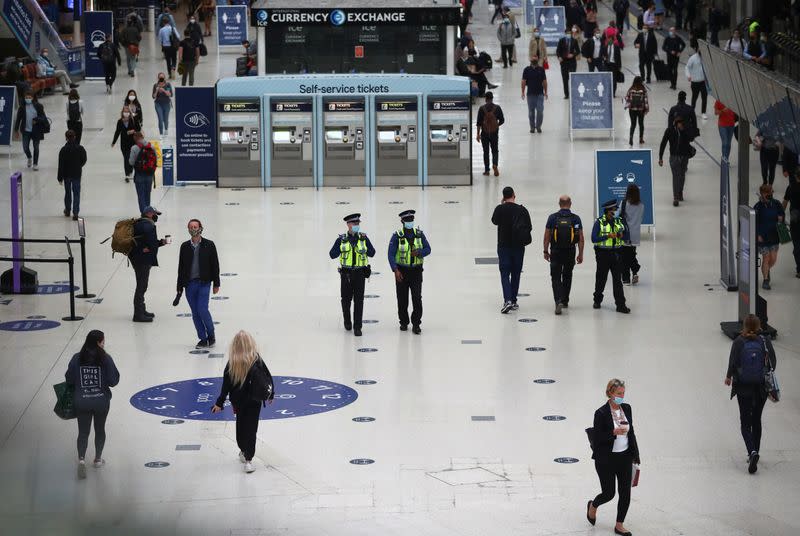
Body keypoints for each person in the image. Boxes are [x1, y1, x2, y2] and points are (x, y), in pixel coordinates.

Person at [211, 331, 273, 474]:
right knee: (251, 430)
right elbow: (267, 378)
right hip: (255, 401)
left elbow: (225, 386)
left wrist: (219, 403)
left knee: (241, 426)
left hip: (238, 402)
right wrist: (270, 394)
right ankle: (249, 460)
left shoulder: (231, 363)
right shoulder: (257, 360)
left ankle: (244, 451)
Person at [586, 379, 640, 536]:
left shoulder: (627, 409)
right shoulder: (601, 413)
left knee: (625, 493)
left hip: (624, 457)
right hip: (606, 459)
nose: (621, 396)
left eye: (623, 393)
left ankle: (619, 525)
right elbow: (597, 438)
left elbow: (632, 432)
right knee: (609, 493)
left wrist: (636, 454)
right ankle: (593, 506)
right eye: (618, 393)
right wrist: (612, 433)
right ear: (610, 393)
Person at [724, 314, 777, 474]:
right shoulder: (764, 340)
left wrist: (728, 377)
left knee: (745, 422)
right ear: (759, 325)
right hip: (760, 387)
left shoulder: (739, 341)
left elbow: (733, 362)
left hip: (743, 387)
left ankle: (752, 451)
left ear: (745, 326)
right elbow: (773, 362)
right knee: (757, 420)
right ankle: (756, 451)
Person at [65, 330, 120, 480]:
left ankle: (82, 459)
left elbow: (69, 379)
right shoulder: (106, 359)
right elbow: (113, 381)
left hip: (81, 401)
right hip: (101, 401)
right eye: (103, 341)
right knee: (100, 429)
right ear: (98, 342)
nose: (104, 343)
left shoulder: (77, 358)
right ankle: (97, 459)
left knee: (83, 432)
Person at [328, 214, 376, 337]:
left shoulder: (364, 238)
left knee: (359, 301)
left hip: (360, 273)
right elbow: (332, 254)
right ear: (348, 225)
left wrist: (365, 248)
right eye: (354, 224)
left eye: (358, 224)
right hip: (346, 274)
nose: (356, 226)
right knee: (346, 300)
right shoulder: (341, 239)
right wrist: (340, 248)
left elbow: (372, 253)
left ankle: (357, 326)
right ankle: (347, 321)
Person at [177, 219, 221, 348]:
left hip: (204, 283)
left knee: (202, 309)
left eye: (195, 226)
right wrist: (179, 287)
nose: (193, 228)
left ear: (200, 228)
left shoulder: (209, 245)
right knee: (195, 313)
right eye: (191, 227)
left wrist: (216, 283)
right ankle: (202, 338)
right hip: (190, 284)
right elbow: (181, 267)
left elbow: (215, 265)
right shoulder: (184, 246)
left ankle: (211, 334)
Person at [387, 210, 432, 334]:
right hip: (401, 271)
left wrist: (419, 252)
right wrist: (395, 270)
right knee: (402, 299)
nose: (410, 222)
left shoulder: (419, 234)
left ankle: (416, 323)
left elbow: (428, 249)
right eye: (407, 220)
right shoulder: (397, 236)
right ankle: (404, 322)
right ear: (402, 221)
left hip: (416, 271)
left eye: (411, 220)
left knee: (417, 298)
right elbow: (390, 254)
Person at [491, 187, 533, 314]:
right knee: (516, 273)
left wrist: (502, 205)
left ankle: (507, 300)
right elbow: (529, 227)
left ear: (503, 197)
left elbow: (494, 221)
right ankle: (514, 300)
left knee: (504, 273)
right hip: (519, 247)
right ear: (514, 195)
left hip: (503, 246)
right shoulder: (522, 210)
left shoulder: (500, 209)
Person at [543, 195, 584, 315]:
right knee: (567, 275)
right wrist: (580, 254)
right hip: (570, 251)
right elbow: (581, 238)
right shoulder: (576, 219)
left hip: (556, 251)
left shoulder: (552, 218)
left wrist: (545, 251)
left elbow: (546, 237)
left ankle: (558, 300)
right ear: (570, 203)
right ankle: (565, 300)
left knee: (555, 277)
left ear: (559, 204)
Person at [128, 205, 167, 322]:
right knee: (141, 286)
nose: (156, 217)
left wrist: (160, 243)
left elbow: (144, 242)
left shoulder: (138, 223)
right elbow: (151, 244)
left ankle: (141, 310)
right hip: (142, 260)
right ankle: (138, 314)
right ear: (150, 214)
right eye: (155, 214)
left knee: (141, 285)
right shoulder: (148, 226)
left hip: (136, 258)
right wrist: (158, 244)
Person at [591, 200, 630, 313]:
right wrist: (607, 236)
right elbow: (594, 239)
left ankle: (621, 305)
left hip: (617, 254)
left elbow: (627, 237)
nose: (616, 211)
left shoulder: (619, 221)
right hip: (603, 255)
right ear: (609, 211)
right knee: (601, 279)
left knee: (618, 280)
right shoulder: (599, 222)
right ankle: (597, 300)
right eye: (614, 210)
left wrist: (622, 236)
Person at [754, 184, 785, 290]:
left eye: (772, 192)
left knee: (773, 259)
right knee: (766, 258)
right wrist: (758, 234)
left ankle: (766, 269)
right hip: (762, 236)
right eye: (768, 193)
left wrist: (781, 218)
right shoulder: (758, 207)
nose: (771, 194)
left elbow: (781, 213)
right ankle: (766, 279)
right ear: (763, 193)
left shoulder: (776, 204)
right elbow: (755, 222)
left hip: (774, 235)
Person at [659, 116, 693, 206]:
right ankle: (676, 197)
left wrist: (683, 131)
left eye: (681, 122)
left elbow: (690, 139)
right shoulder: (669, 130)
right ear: (675, 123)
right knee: (676, 176)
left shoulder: (685, 130)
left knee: (682, 175)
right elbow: (663, 143)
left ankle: (680, 192)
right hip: (674, 157)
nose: (680, 124)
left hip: (684, 157)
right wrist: (660, 157)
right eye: (678, 122)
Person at [56, 130, 87, 220]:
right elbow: (84, 159)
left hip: (67, 175)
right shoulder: (80, 148)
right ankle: (76, 213)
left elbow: (60, 164)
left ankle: (68, 210)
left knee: (68, 192)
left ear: (66, 138)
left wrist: (59, 177)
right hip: (77, 174)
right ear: (75, 137)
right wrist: (79, 166)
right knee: (76, 193)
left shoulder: (63, 150)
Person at [618, 185, 644, 284]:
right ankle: (635, 272)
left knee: (624, 257)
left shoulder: (624, 203)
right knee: (631, 254)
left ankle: (626, 279)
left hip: (625, 234)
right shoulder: (641, 205)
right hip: (636, 234)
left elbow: (618, 216)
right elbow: (640, 218)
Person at [13, 92, 46, 171]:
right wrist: (16, 130)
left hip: (36, 130)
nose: (27, 99)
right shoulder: (22, 107)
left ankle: (35, 164)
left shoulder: (38, 106)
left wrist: (37, 120)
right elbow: (18, 119)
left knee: (36, 147)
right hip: (26, 131)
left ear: (33, 98)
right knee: (25, 147)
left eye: (29, 97)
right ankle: (29, 157)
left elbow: (43, 118)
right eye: (26, 97)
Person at [476, 92, 505, 176]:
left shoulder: (482, 108)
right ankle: (495, 165)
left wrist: (478, 134)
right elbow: (502, 120)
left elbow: (478, 123)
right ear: (492, 98)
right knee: (495, 150)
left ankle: (487, 170)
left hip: (484, 133)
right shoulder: (497, 108)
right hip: (494, 133)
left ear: (485, 98)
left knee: (486, 151)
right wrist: (496, 125)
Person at [129, 132, 157, 212]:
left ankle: (144, 213)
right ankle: (148, 213)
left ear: (135, 139)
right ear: (143, 137)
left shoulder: (134, 148)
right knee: (147, 194)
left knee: (141, 195)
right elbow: (155, 160)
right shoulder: (151, 146)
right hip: (150, 175)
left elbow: (131, 162)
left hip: (139, 175)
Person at [111, 106, 140, 183]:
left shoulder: (134, 120)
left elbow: (138, 129)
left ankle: (129, 172)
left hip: (132, 142)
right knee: (126, 158)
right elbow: (117, 132)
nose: (126, 113)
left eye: (127, 111)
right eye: (124, 111)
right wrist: (113, 142)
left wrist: (133, 131)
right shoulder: (120, 121)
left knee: (130, 157)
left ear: (130, 112)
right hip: (124, 143)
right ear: (122, 112)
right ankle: (128, 173)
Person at [521, 58, 548, 134]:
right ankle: (532, 127)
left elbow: (544, 81)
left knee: (540, 111)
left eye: (536, 58)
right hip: (530, 95)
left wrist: (546, 92)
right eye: (533, 58)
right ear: (530, 60)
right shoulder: (526, 69)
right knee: (531, 112)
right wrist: (522, 92)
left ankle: (538, 126)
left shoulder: (541, 69)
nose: (534, 59)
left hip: (540, 94)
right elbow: (523, 81)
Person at [782, 171, 800, 278]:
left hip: (795, 218)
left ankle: (799, 269)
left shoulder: (791, 187)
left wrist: (780, 214)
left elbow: (784, 202)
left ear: (796, 177)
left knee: (797, 243)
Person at [556, 28, 581, 99]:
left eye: (570, 33)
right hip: (564, 62)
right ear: (565, 33)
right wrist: (559, 57)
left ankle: (573, 93)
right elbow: (558, 51)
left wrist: (573, 54)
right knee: (565, 78)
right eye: (567, 33)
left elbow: (578, 51)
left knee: (573, 78)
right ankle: (566, 94)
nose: (569, 34)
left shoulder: (574, 41)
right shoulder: (561, 41)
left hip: (572, 62)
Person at [624, 76, 649, 146]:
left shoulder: (631, 89)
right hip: (640, 110)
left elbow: (626, 98)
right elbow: (645, 100)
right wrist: (646, 109)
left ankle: (631, 138)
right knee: (641, 124)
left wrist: (629, 103)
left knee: (633, 124)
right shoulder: (643, 90)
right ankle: (641, 139)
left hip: (632, 109)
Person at [685, 47, 707, 119]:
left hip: (703, 81)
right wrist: (688, 76)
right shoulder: (693, 58)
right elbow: (687, 67)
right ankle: (692, 112)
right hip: (695, 82)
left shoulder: (705, 57)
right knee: (694, 97)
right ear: (697, 49)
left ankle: (703, 112)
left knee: (704, 97)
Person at [152, 73, 174, 137]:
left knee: (165, 119)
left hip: (167, 104)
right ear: (158, 78)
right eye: (160, 78)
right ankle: (161, 134)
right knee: (160, 119)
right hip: (158, 104)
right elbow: (153, 96)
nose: (161, 79)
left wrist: (164, 90)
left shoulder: (168, 85)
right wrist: (156, 90)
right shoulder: (155, 85)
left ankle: (166, 129)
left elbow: (171, 95)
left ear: (164, 78)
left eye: (162, 78)